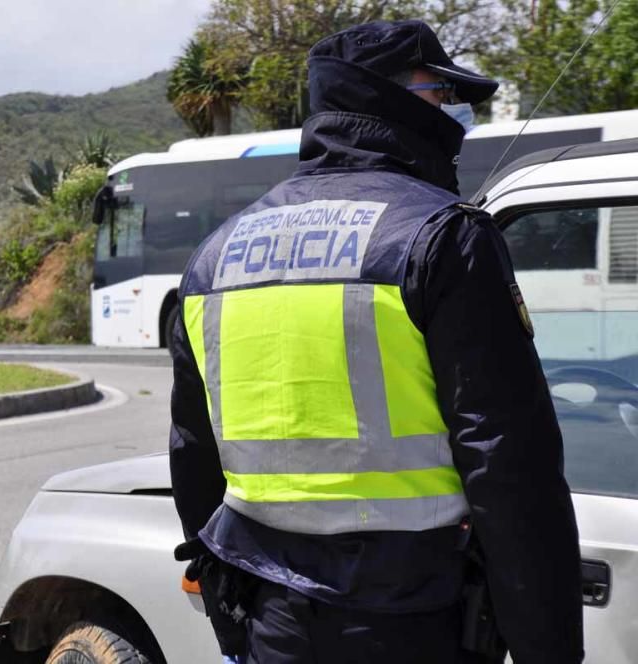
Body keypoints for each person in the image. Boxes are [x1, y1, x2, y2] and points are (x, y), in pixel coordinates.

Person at [169, 19, 583, 664]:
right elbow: (508, 467)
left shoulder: (214, 258)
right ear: (390, 98)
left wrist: (235, 625)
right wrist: (548, 649)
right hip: (415, 622)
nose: (453, 110)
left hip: (273, 626)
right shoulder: (443, 237)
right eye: (441, 91)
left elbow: (194, 461)